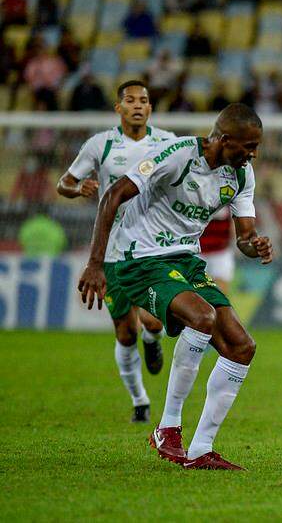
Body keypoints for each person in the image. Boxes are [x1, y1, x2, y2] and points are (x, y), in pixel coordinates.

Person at [77, 103, 273, 470]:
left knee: (242, 347)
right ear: (224, 140)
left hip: (185, 262)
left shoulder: (242, 176)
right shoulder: (177, 154)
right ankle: (167, 428)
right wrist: (95, 262)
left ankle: (201, 448)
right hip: (139, 260)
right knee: (203, 317)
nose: (253, 154)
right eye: (247, 146)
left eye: (256, 147)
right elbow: (113, 195)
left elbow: (245, 238)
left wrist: (255, 244)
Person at [57, 80, 174, 423]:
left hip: (153, 247)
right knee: (125, 332)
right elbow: (63, 182)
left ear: (150, 108)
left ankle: (153, 339)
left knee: (154, 318)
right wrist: (78, 187)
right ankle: (140, 400)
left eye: (145, 101)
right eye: (131, 100)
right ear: (119, 108)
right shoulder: (101, 144)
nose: (138, 105)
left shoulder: (167, 142)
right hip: (111, 251)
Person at [198, 207, 235, 294]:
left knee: (220, 293)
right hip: (197, 252)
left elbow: (235, 228)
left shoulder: (229, 198)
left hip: (221, 253)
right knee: (195, 293)